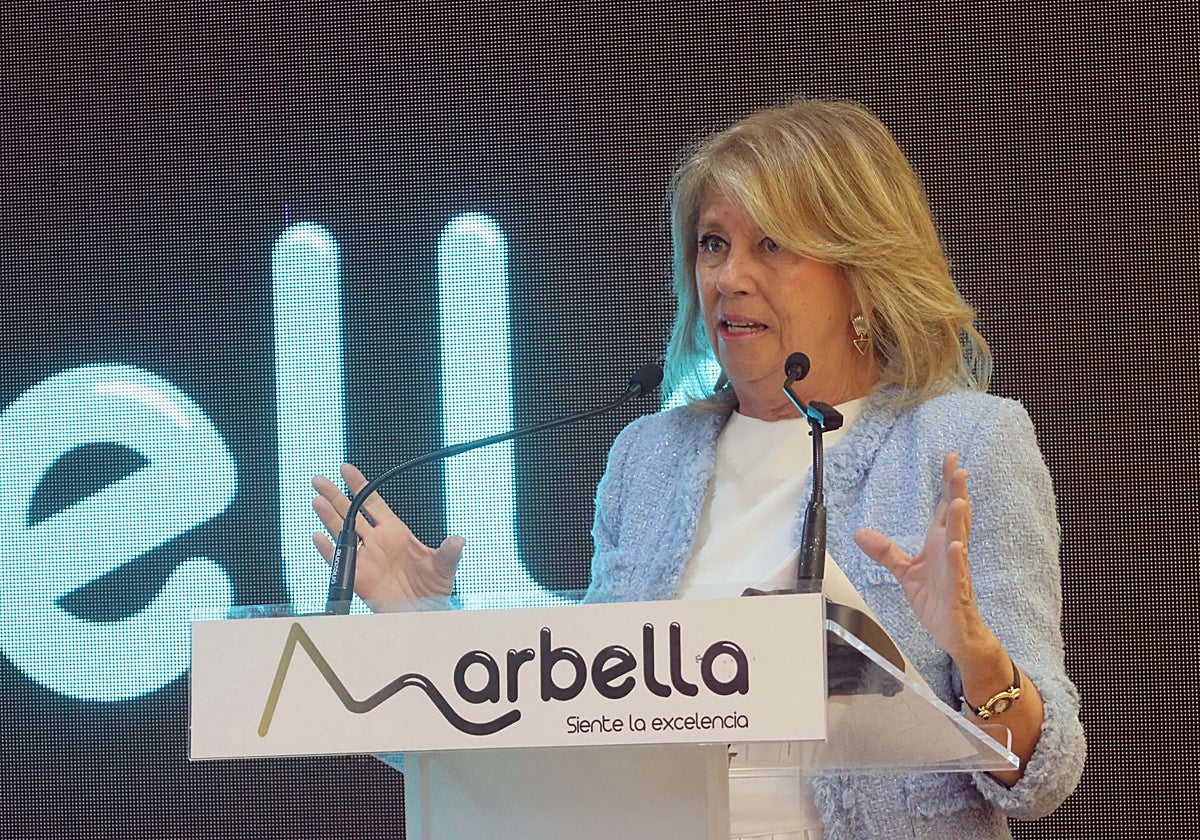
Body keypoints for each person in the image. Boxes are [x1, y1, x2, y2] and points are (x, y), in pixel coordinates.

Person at [312, 99, 1085, 839]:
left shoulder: (963, 442)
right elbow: (576, 725)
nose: (728, 277)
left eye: (770, 245)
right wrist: (418, 627)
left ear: (860, 270)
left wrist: (976, 656)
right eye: (713, 244)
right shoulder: (650, 458)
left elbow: (1045, 774)